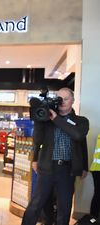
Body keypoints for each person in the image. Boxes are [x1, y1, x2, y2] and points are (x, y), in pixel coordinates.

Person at [21, 87, 89, 225]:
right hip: (47, 167)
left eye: (66, 98)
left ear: (73, 101)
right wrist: (39, 118)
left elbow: (79, 138)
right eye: (59, 98)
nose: (62, 101)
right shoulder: (48, 119)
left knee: (64, 208)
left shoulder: (81, 121)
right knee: (36, 204)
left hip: (67, 170)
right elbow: (37, 140)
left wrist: (84, 166)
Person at [89, 135, 100, 219]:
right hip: (98, 169)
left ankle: (93, 219)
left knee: (97, 195)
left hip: (96, 169)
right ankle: (93, 219)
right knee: (98, 195)